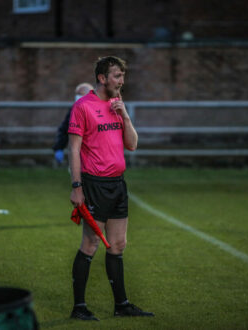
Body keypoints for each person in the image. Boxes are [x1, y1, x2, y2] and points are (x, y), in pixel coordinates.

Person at [68, 56, 154, 320]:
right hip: (93, 184)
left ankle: (122, 306)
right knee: (91, 242)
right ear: (102, 78)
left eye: (122, 76)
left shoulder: (118, 106)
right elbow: (73, 149)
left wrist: (125, 116)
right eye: (116, 76)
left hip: (118, 184)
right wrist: (76, 186)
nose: (121, 81)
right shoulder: (83, 107)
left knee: (118, 244)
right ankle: (79, 308)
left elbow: (133, 144)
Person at [52, 83, 94, 165]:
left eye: (81, 94)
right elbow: (64, 129)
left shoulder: (98, 111)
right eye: (78, 94)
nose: (79, 97)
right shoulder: (74, 110)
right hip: (78, 153)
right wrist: (59, 147)